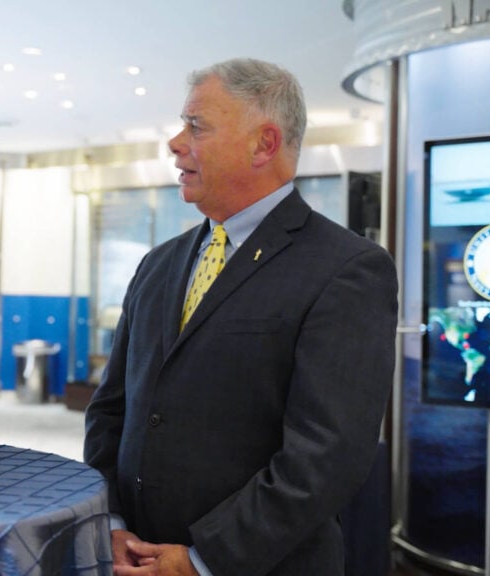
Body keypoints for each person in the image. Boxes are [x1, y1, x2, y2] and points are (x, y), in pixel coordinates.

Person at [83, 58, 398, 576]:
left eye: (196, 126)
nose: (175, 142)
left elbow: (326, 455)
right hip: (133, 558)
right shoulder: (158, 263)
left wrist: (203, 560)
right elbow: (111, 408)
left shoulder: (346, 269)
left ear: (264, 144)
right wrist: (111, 521)